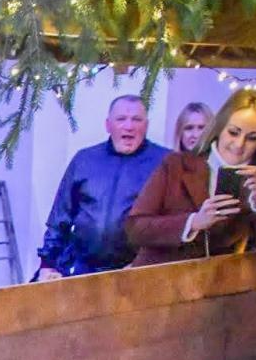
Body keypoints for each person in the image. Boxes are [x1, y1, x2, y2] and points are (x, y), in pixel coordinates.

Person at [125, 88, 256, 267]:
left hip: (217, 287)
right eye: (233, 132)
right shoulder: (176, 165)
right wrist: (193, 222)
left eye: (252, 138)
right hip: (159, 283)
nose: (239, 144)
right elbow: (135, 228)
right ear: (219, 128)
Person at [35, 95, 170, 279]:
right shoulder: (84, 160)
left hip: (138, 274)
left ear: (146, 126)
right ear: (108, 125)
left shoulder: (165, 163)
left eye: (136, 120)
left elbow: (172, 227)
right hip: (82, 270)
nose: (129, 126)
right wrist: (47, 264)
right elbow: (60, 218)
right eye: (121, 119)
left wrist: (143, 263)